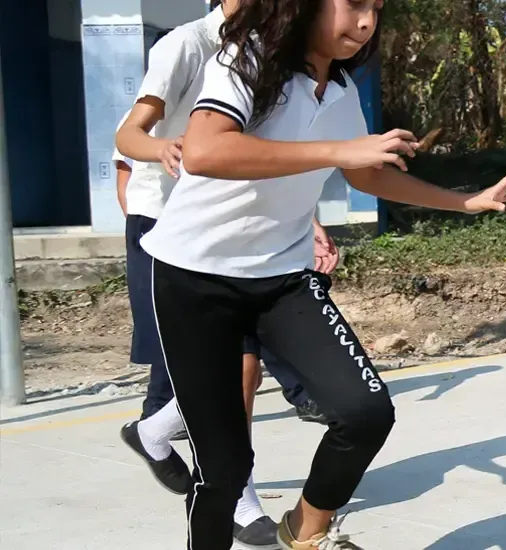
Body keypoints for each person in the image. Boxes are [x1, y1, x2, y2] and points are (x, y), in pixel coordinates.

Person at [139, 0, 506, 546]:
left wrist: (464, 202)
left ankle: (304, 531)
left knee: (366, 412)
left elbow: (366, 175)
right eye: (352, 5)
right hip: (194, 278)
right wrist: (340, 148)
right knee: (224, 467)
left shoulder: (340, 90)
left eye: (376, 8)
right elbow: (204, 150)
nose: (366, 22)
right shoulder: (245, 59)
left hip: (282, 278)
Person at [109, 2, 326, 546]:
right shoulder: (187, 45)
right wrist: (163, 147)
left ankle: (157, 434)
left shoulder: (271, 51)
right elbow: (128, 134)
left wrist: (313, 220)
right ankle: (233, 488)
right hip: (168, 227)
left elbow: (269, 156)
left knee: (242, 372)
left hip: (232, 230)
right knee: (232, 372)